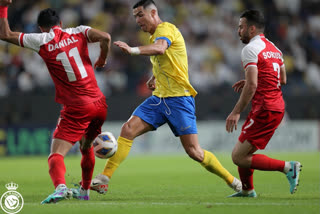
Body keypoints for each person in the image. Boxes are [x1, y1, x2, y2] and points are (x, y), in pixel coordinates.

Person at [90, 0, 241, 195]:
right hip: (159, 99)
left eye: (140, 15)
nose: (137, 20)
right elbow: (167, 59)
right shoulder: (156, 34)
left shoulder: (165, 29)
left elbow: (161, 49)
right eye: (135, 16)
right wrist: (155, 77)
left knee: (194, 152)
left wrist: (133, 49)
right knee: (127, 130)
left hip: (179, 100)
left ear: (153, 12)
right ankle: (104, 179)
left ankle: (233, 182)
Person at [0, 0, 111, 203]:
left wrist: (3, 6)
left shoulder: (42, 39)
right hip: (99, 103)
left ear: (41, 27)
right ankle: (84, 191)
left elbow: (5, 34)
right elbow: (105, 36)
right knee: (86, 148)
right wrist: (102, 58)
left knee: (56, 154)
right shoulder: (79, 31)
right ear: (60, 22)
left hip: (77, 106)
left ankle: (61, 187)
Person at [225, 10, 302, 197]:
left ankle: (288, 167)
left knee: (238, 157)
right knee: (243, 148)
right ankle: (247, 190)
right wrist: (256, 79)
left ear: (251, 29)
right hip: (275, 106)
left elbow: (252, 86)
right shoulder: (274, 48)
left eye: (241, 27)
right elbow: (281, 78)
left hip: (265, 108)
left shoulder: (250, 49)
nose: (238, 31)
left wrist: (235, 112)